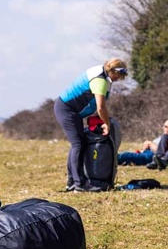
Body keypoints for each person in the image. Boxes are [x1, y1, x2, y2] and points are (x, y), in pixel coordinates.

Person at [54, 58, 128, 192]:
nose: (119, 79)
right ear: (112, 71)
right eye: (119, 76)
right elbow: (101, 107)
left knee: (78, 142)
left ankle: (72, 182)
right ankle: (79, 184)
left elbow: (95, 106)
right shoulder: (100, 80)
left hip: (72, 111)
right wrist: (107, 124)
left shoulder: (103, 76)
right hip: (66, 109)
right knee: (78, 144)